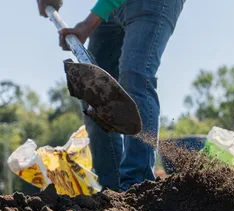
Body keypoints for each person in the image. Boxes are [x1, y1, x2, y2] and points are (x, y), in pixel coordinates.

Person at [37, 0, 185, 192]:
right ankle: (112, 191)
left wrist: (87, 25)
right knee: (93, 88)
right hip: (114, 8)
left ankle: (136, 186)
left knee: (135, 77)